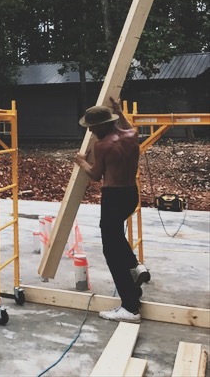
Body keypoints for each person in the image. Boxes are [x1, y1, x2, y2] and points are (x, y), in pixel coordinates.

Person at [74, 97, 150, 323]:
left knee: (111, 251)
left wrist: (81, 162)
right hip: (130, 195)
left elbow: (96, 175)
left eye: (93, 127)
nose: (92, 131)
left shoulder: (103, 145)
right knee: (116, 238)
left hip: (113, 197)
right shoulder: (131, 135)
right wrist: (118, 110)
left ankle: (130, 307)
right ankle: (135, 268)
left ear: (101, 125)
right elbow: (128, 125)